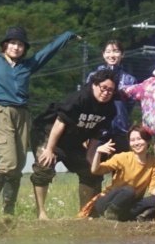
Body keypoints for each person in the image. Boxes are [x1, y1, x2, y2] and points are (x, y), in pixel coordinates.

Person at [0, 25, 76, 215]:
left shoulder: (27, 65)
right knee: (8, 161)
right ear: (5, 45)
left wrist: (67, 36)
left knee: (18, 165)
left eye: (20, 44)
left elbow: (47, 52)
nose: (16, 47)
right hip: (1, 110)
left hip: (23, 114)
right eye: (12, 43)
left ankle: (8, 211)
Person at [32, 67, 122, 218]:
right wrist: (49, 149)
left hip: (73, 141)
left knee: (91, 171)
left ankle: (86, 214)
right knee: (44, 166)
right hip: (49, 134)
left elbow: (96, 135)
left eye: (110, 90)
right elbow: (59, 124)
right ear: (94, 84)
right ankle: (41, 213)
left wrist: (90, 157)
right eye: (103, 88)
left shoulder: (109, 109)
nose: (106, 93)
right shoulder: (79, 99)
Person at [88, 125, 155, 221]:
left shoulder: (154, 162)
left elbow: (153, 189)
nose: (136, 143)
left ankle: (132, 217)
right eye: (132, 140)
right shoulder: (123, 157)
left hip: (130, 203)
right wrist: (98, 152)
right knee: (128, 191)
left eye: (139, 139)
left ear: (148, 141)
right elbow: (96, 170)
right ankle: (111, 214)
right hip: (108, 201)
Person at [85, 38, 140, 141]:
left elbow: (130, 106)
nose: (112, 55)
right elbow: (87, 100)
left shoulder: (130, 80)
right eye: (108, 52)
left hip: (120, 129)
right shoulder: (93, 76)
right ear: (103, 54)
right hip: (96, 129)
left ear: (122, 54)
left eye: (116, 51)